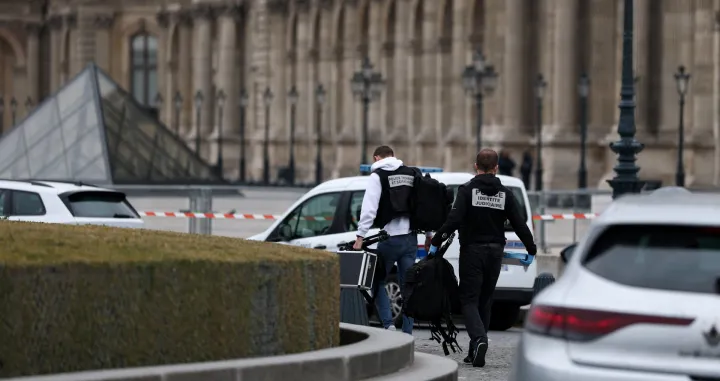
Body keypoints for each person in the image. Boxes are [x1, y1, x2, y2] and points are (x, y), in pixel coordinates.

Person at [428, 149, 537, 367]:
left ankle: (479, 339)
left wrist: (436, 241)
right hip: (495, 253)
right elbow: (519, 223)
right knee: (485, 301)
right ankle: (475, 350)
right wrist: (531, 248)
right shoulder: (505, 193)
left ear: (475, 166)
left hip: (472, 251)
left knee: (468, 300)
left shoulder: (467, 190)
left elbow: (454, 220)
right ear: (496, 168)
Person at [353, 145, 431, 334]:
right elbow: (424, 205)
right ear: (393, 156)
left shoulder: (377, 176)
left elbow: (369, 209)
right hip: (411, 239)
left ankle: (388, 325)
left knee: (377, 280)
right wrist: (429, 235)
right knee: (408, 286)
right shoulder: (412, 173)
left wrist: (360, 236)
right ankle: (408, 331)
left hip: (388, 239)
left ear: (376, 158)